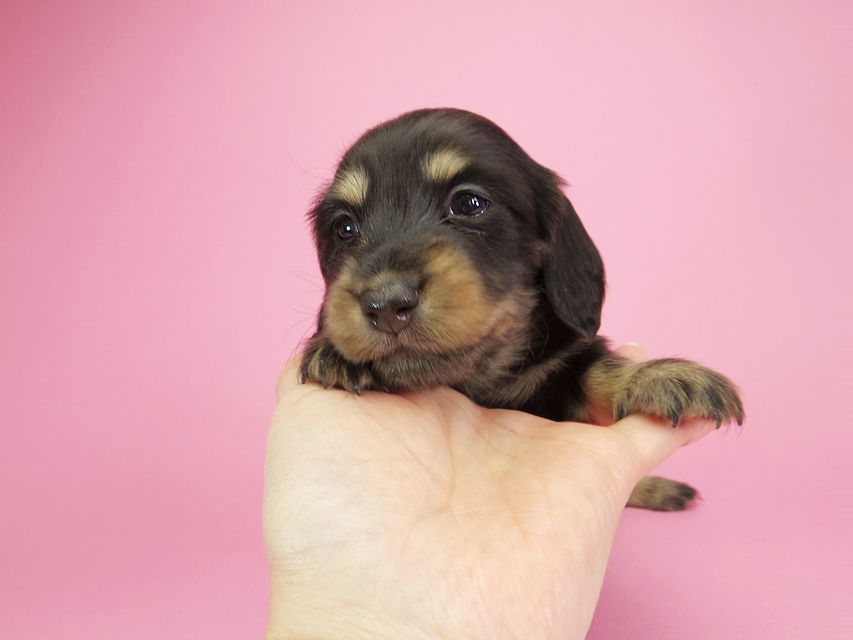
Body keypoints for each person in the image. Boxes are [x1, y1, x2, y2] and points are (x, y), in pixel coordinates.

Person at [263, 344, 717, 639]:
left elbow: (574, 370)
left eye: (468, 205)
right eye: (346, 229)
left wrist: (626, 382)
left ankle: (625, 483)